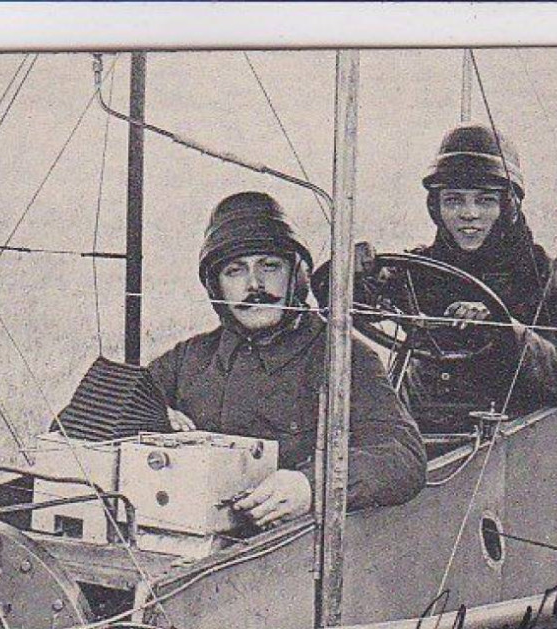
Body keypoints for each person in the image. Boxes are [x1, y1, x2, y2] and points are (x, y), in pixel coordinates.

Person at [146, 191, 426, 528]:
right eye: (235, 271)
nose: (254, 284)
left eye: (269, 266)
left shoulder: (340, 356)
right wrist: (149, 413)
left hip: (293, 555)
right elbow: (86, 417)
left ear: (297, 276)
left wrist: (312, 486)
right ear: (216, 287)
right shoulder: (189, 359)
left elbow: (403, 455)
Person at [399, 124, 557, 436]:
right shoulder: (420, 272)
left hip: (508, 453)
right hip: (414, 441)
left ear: (508, 206)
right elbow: (344, 299)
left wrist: (506, 332)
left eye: (484, 200)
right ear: (437, 207)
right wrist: (353, 272)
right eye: (454, 200)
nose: (468, 214)